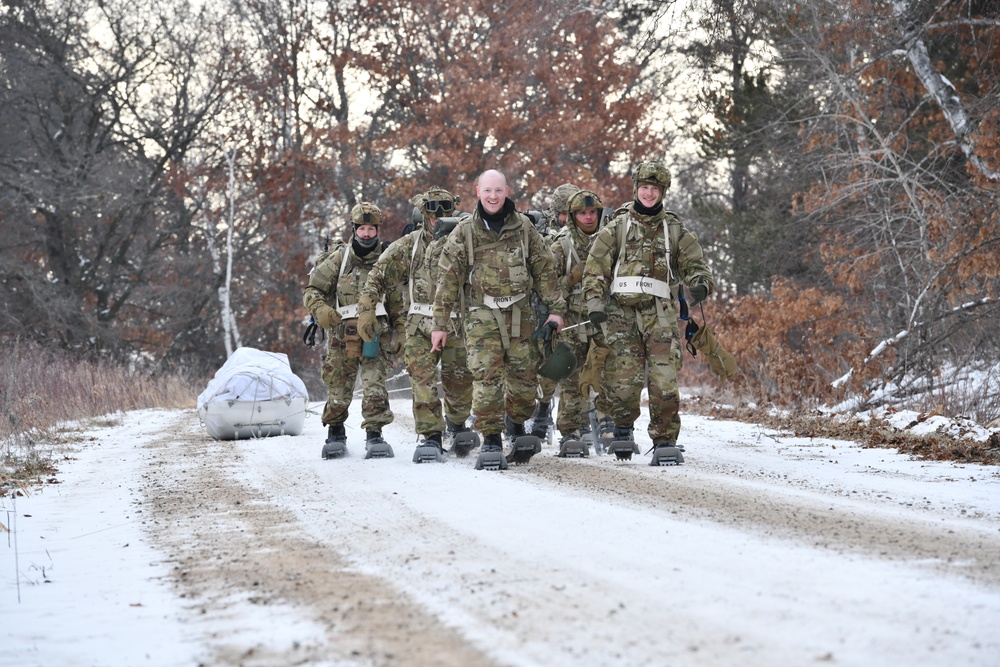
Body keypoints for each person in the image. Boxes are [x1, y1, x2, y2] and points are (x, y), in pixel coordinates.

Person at [581, 161, 715, 463]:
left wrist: (700, 285)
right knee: (621, 380)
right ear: (636, 189)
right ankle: (623, 429)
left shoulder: (674, 230)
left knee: (664, 379)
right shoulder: (617, 227)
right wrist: (594, 303)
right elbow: (595, 269)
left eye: (654, 189)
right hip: (620, 314)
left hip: (660, 313)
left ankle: (665, 438)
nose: (649, 193)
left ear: (662, 191)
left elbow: (696, 265)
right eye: (644, 187)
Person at [431, 169, 566, 467]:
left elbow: (544, 270)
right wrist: (439, 325)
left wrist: (556, 309)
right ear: (478, 191)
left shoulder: (524, 229)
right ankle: (491, 437)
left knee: (524, 380)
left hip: (520, 315)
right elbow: (447, 280)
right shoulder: (464, 232)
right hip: (481, 315)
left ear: (506, 191)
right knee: (486, 378)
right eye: (487, 190)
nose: (493, 196)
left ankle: (516, 426)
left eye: (498, 190)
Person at [356, 187, 477, 460]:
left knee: (459, 382)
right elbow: (377, 275)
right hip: (420, 323)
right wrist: (366, 309)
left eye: (444, 209)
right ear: (423, 213)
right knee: (422, 380)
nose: (437, 216)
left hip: (457, 322)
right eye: (431, 210)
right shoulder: (409, 245)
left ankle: (457, 425)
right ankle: (431, 436)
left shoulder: (468, 240)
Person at [302, 202, 402, 459]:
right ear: (354, 229)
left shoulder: (387, 259)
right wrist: (321, 310)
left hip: (375, 333)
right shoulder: (340, 258)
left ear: (377, 229)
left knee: (375, 386)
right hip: (341, 334)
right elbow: (312, 290)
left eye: (371, 229)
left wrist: (399, 331)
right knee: (338, 386)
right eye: (362, 229)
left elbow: (398, 299)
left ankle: (375, 434)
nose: (366, 234)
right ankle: (335, 432)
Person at [547, 189, 610, 453]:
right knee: (571, 376)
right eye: (582, 213)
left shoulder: (610, 241)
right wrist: (570, 279)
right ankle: (570, 432)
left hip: (603, 317)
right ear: (573, 216)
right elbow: (547, 285)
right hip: (572, 319)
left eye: (592, 212)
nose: (588, 217)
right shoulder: (562, 245)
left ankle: (610, 426)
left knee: (607, 373)